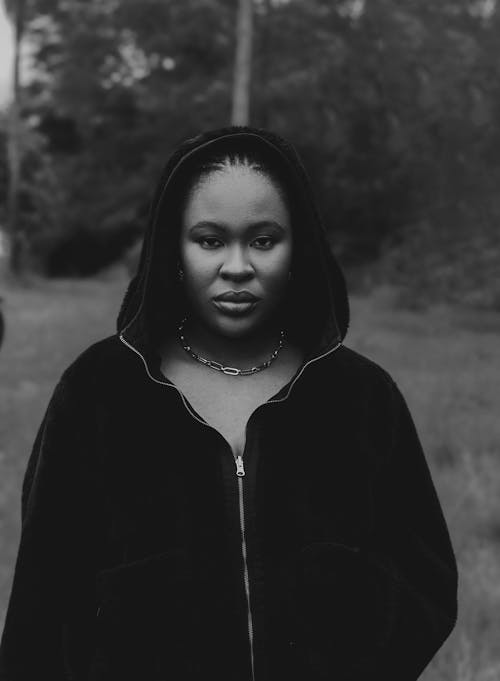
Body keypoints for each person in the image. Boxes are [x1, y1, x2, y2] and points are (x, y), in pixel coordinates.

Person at [0, 126, 458, 681]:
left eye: (263, 239)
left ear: (299, 247)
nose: (237, 266)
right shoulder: (99, 391)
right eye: (210, 240)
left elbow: (425, 577)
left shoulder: (360, 397)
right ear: (173, 244)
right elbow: (42, 604)